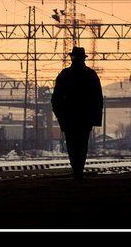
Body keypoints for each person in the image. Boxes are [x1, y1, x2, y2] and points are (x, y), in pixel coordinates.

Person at [51, 46, 103, 180]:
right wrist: (95, 119)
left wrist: (60, 117)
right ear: (83, 58)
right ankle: (79, 170)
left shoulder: (64, 74)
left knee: (72, 144)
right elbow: (98, 98)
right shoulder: (91, 75)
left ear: (71, 58)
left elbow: (55, 99)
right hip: (86, 118)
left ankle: (76, 169)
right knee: (82, 144)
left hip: (69, 118)